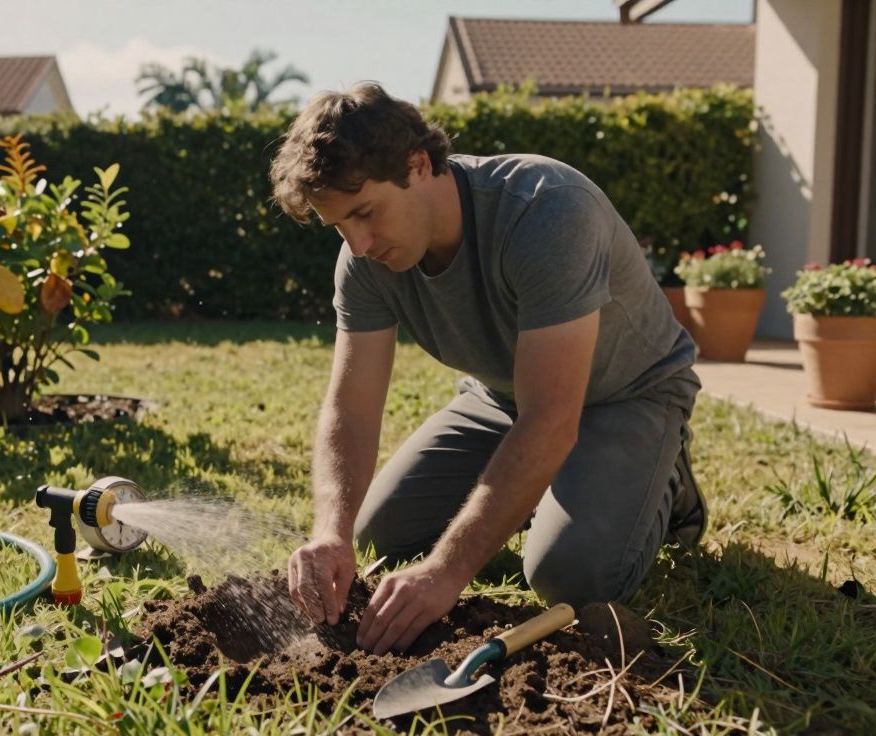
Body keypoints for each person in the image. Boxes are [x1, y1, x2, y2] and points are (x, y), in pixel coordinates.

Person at [270, 82, 706, 656]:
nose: (359, 242)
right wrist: (330, 532)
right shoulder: (363, 258)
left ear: (418, 164)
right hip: (500, 398)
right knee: (379, 535)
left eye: (365, 213)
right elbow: (351, 407)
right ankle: (547, 484)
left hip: (628, 395)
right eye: (340, 227)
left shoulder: (547, 211)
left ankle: (666, 476)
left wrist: (446, 572)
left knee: (567, 576)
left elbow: (551, 414)